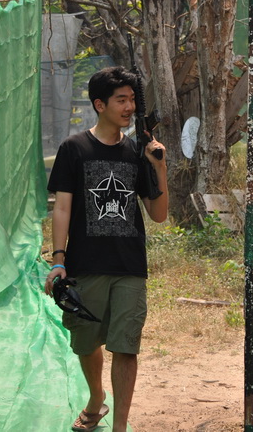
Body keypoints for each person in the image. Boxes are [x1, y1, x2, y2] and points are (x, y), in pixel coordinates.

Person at [44, 66, 168, 432]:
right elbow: (62, 208)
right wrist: (58, 260)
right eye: (121, 100)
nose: (129, 107)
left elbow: (159, 214)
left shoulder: (138, 152)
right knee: (86, 343)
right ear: (100, 105)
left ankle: (120, 427)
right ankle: (97, 397)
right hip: (85, 264)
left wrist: (159, 167)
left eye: (132, 100)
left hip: (130, 266)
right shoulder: (73, 148)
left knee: (126, 346)